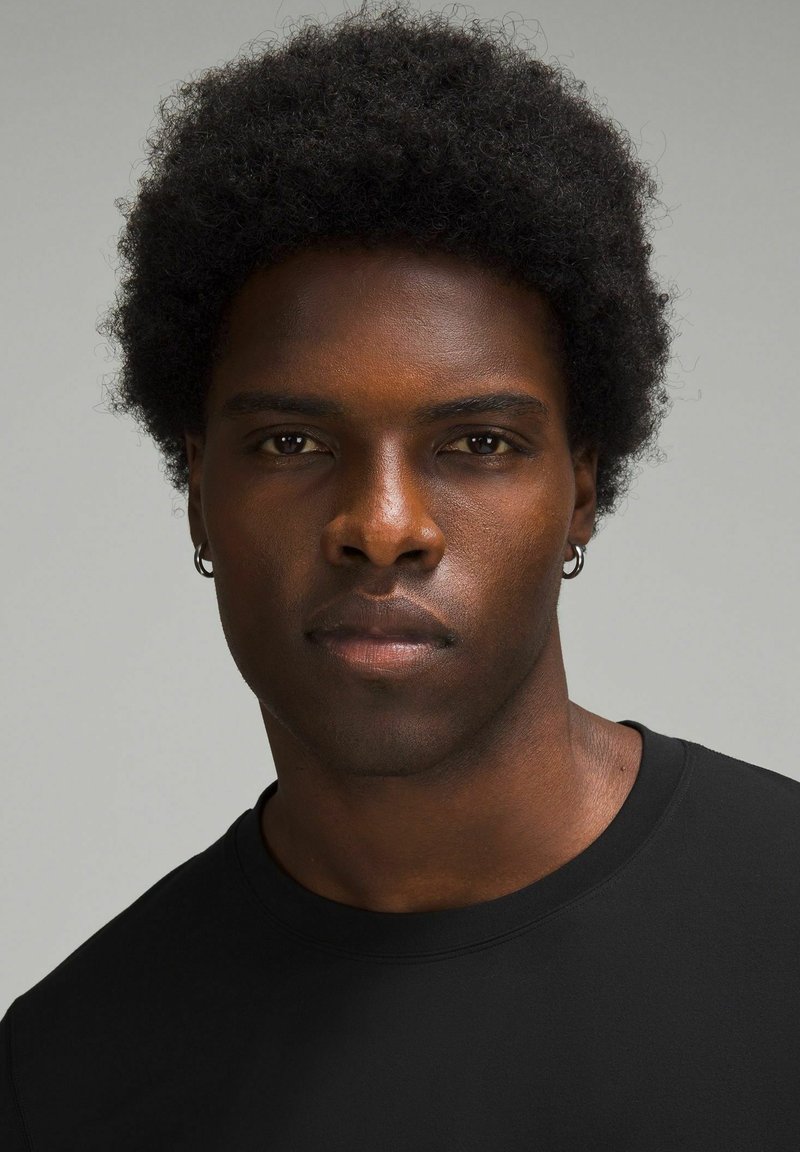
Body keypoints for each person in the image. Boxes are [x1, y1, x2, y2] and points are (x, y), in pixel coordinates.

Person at [2, 3, 798, 1148]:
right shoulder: (67, 1072)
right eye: (290, 442)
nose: (381, 527)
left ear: (579, 488)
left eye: (476, 443)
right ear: (198, 492)